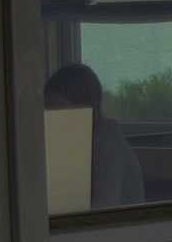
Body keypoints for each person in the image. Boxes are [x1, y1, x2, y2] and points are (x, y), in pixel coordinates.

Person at [45, 62, 147, 207]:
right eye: (48, 110)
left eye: (58, 109)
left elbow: (103, 209)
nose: (51, 117)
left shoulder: (107, 145)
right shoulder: (75, 141)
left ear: (87, 108)